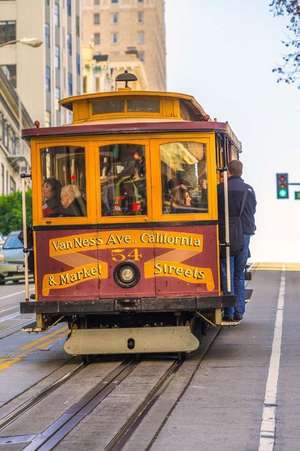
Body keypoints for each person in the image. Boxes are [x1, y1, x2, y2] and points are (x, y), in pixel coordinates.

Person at [218, 160, 256, 321]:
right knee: (239, 274)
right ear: (241, 171)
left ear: (229, 172)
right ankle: (239, 311)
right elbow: (253, 209)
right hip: (244, 234)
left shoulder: (220, 189)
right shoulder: (249, 189)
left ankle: (229, 311)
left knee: (227, 271)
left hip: (226, 234)